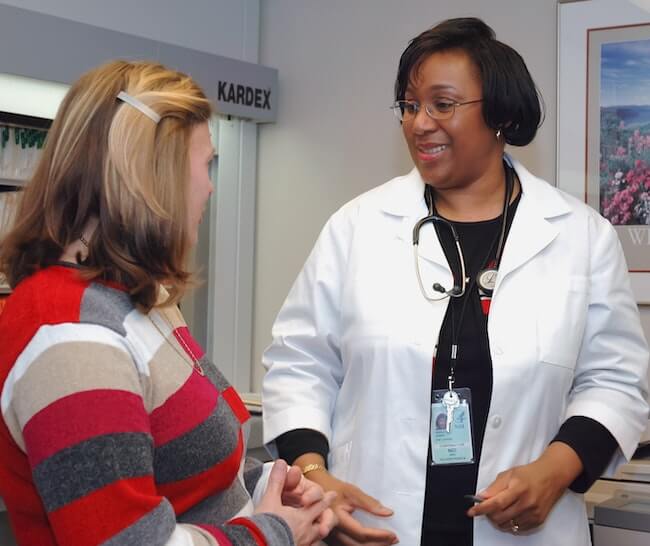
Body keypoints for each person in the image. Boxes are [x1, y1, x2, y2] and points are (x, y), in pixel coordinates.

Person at [261, 17, 649, 546]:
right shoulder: (357, 228)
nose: (420, 123)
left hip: (524, 531)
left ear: (499, 114)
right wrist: (313, 478)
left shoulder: (580, 237)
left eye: (442, 104)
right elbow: (298, 364)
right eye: (409, 105)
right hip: (374, 525)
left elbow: (616, 383)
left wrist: (555, 472)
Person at [0, 60, 337, 546]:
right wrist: (272, 534)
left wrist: (268, 486)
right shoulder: (70, 338)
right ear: (155, 178)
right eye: (206, 165)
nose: (210, 187)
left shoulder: (137, 300)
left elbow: (195, 471)